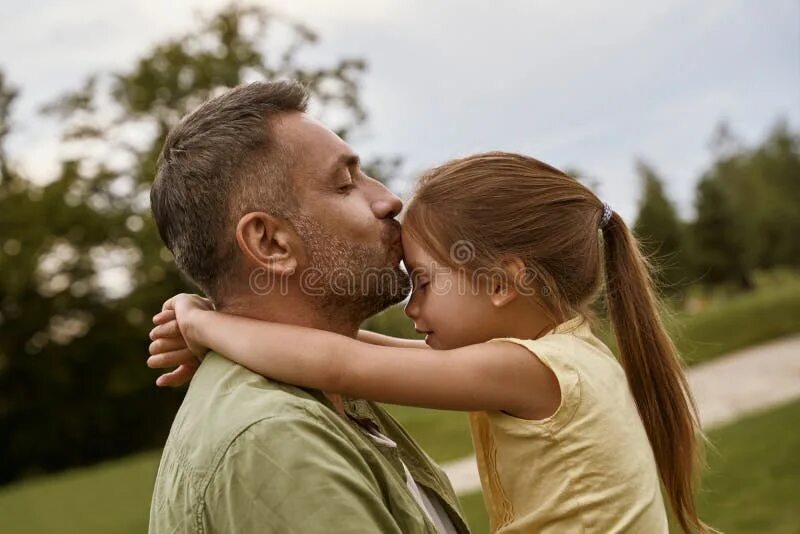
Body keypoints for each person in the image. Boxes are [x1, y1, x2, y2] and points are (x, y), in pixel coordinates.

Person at [150, 152, 713, 533]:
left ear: (499, 282)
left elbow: (342, 364)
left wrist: (203, 322)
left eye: (421, 282)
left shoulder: (527, 371)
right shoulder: (562, 356)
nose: (411, 306)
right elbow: (361, 351)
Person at [146, 80, 469, 533]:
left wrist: (204, 324)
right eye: (344, 184)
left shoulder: (330, 389)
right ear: (271, 242)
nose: (389, 200)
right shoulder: (274, 440)